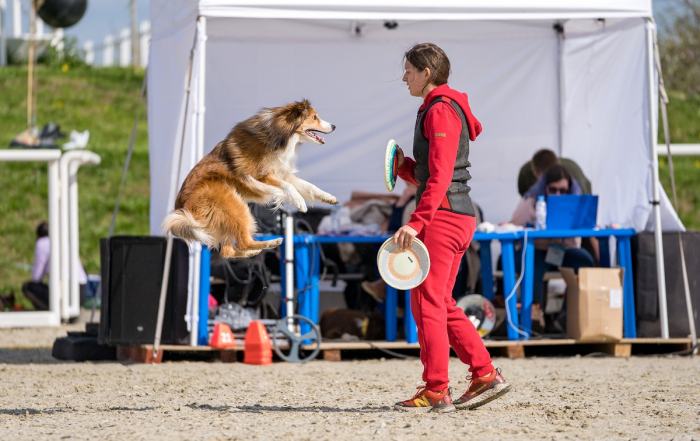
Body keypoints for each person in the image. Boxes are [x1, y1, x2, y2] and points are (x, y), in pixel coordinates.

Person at [391, 43, 510, 413]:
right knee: (438, 301)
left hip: (443, 217)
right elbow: (434, 173)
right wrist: (403, 168)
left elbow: (441, 177)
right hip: (454, 214)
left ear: (427, 72)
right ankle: (484, 373)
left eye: (409, 69)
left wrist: (416, 221)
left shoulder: (440, 109)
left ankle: (437, 388)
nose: (405, 76)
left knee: (427, 301)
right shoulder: (440, 107)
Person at [511, 165, 595, 331]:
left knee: (584, 260)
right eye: (553, 190)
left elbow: (582, 235)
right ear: (545, 187)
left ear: (569, 189)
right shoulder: (532, 200)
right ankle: (533, 315)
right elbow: (514, 226)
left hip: (563, 251)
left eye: (563, 190)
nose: (558, 195)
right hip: (538, 250)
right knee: (531, 262)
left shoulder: (576, 203)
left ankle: (567, 316)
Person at [22, 221, 88, 311]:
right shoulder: (63, 240)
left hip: (62, 292)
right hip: (81, 292)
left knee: (27, 287)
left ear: (38, 237)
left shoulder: (41, 243)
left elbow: (36, 278)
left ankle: (51, 312)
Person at [518, 148, 591, 197]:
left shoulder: (575, 179)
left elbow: (585, 208)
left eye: (562, 190)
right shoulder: (526, 174)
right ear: (535, 173)